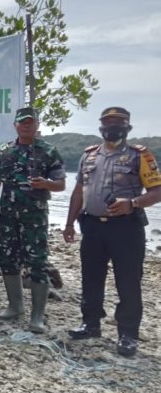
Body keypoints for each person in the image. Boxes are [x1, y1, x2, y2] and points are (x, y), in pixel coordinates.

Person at [63, 107, 161, 357]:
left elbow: (157, 191)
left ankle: (127, 334)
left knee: (128, 282)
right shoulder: (89, 155)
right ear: (100, 127)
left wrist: (133, 203)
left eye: (118, 123)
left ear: (127, 127)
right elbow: (78, 191)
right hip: (93, 226)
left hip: (126, 229)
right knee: (91, 278)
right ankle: (90, 323)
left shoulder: (140, 155)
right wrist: (69, 222)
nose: (112, 127)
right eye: (107, 122)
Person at [0, 107, 65, 333]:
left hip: (34, 216)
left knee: (37, 263)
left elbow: (61, 184)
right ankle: (15, 306)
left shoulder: (49, 151)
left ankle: (37, 316)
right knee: (7, 258)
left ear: (36, 124)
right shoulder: (4, 151)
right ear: (15, 125)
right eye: (22, 122)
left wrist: (46, 184)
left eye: (30, 122)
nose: (26, 125)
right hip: (7, 214)